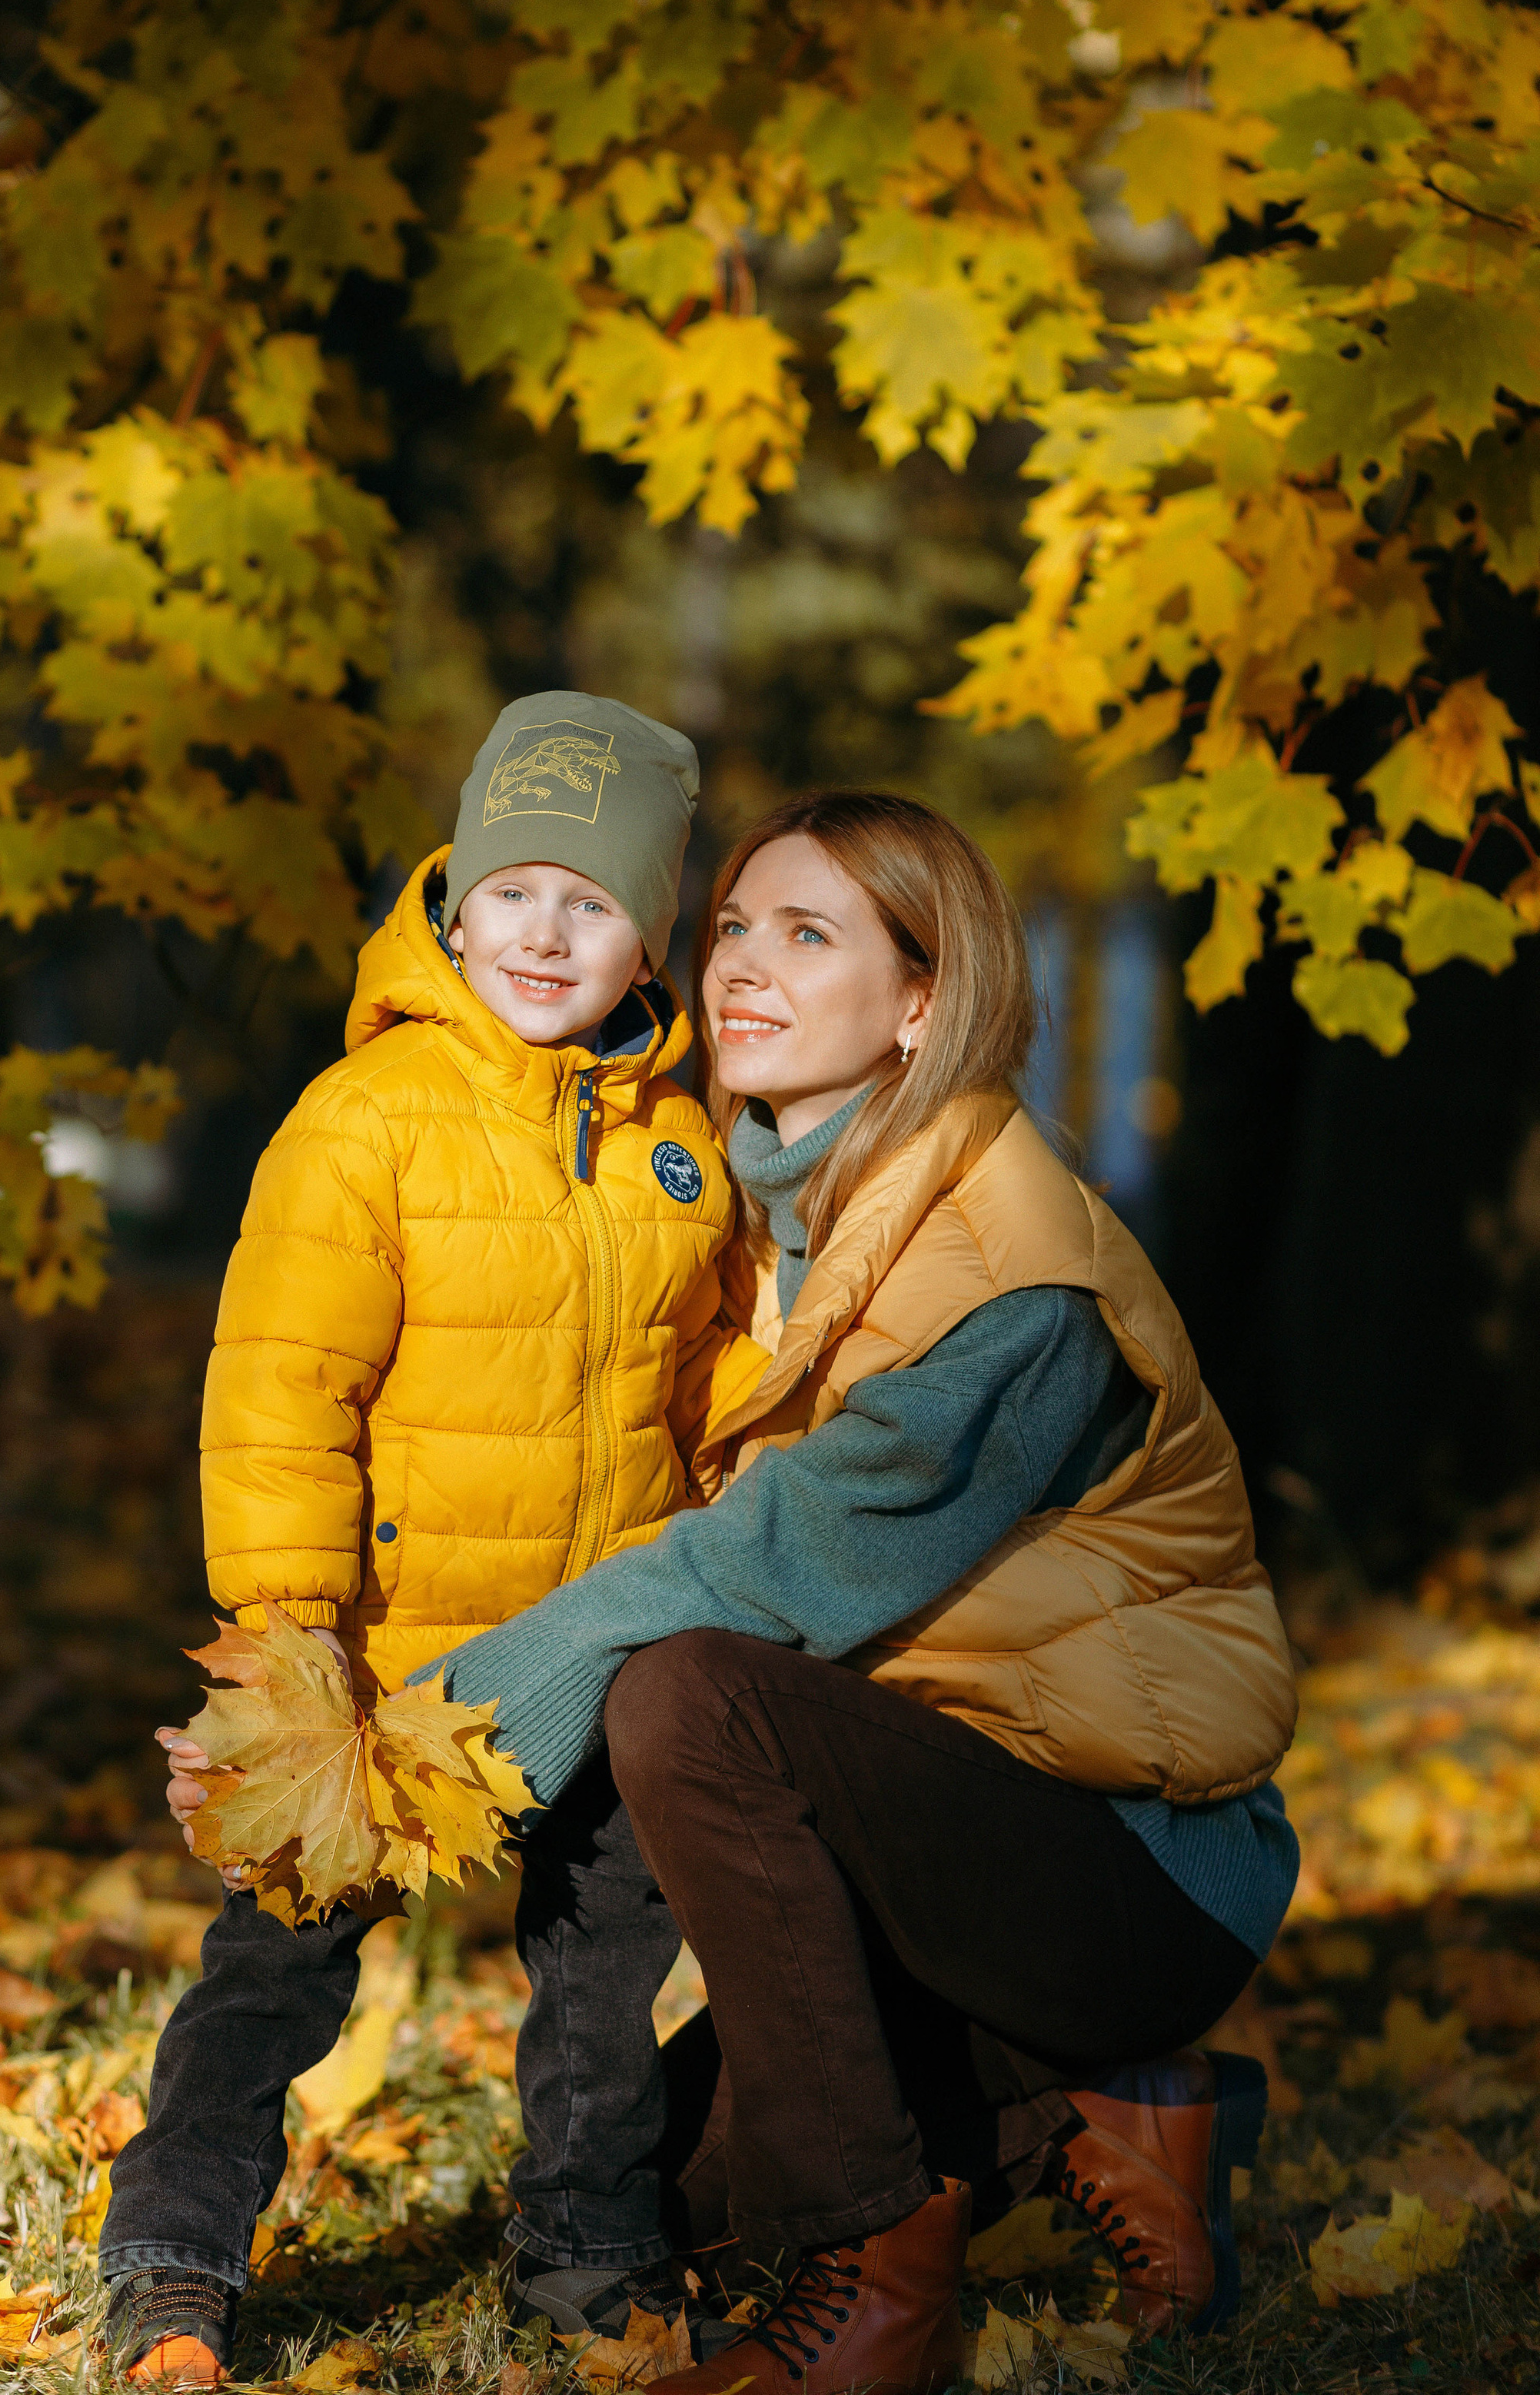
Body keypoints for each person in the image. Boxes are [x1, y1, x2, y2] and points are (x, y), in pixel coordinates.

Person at [426, 788, 1301, 2395]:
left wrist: (470, 1711)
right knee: (663, 2192)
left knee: (682, 1691)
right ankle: (1103, 2117)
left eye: (806, 936)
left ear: (920, 1003)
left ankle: (878, 2291)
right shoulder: (773, 1212)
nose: (744, 968)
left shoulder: (1009, 1269)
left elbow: (781, 1560)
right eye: (733, 928)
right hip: (952, 1831)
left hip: (1123, 1873)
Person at [103, 692, 768, 2387]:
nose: (547, 931)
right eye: (517, 888)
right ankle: (176, 2256)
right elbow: (278, 1390)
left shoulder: (682, 1145)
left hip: (601, 1644)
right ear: (452, 899)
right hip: (381, 1659)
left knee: (606, 1976)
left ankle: (588, 2246)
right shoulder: (365, 1119)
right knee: (275, 1970)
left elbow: (706, 1386)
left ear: (650, 937)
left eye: (595, 902)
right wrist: (285, 1623)